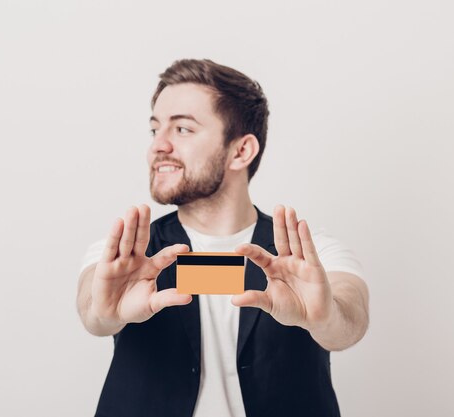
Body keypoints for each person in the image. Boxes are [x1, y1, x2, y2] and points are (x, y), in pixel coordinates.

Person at [76, 59, 369, 417]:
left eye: (182, 129)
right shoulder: (122, 256)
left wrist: (325, 319)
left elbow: (350, 322)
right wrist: (103, 313)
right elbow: (93, 313)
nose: (159, 146)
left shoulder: (315, 255)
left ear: (241, 151)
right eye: (155, 130)